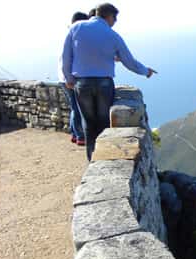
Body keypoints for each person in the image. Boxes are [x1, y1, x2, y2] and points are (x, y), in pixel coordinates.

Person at [61, 3, 156, 160]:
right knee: (104, 122)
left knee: (88, 122)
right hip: (104, 83)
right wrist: (146, 71)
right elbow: (129, 61)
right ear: (109, 16)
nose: (115, 21)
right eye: (114, 18)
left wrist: (68, 78)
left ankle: (92, 159)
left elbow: (66, 56)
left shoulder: (76, 27)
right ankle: (103, 158)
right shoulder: (113, 35)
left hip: (82, 83)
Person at [59, 11, 90, 146]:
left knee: (74, 107)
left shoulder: (69, 35)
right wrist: (70, 79)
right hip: (70, 79)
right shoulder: (74, 37)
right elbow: (68, 60)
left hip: (64, 78)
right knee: (78, 108)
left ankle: (74, 133)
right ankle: (80, 136)